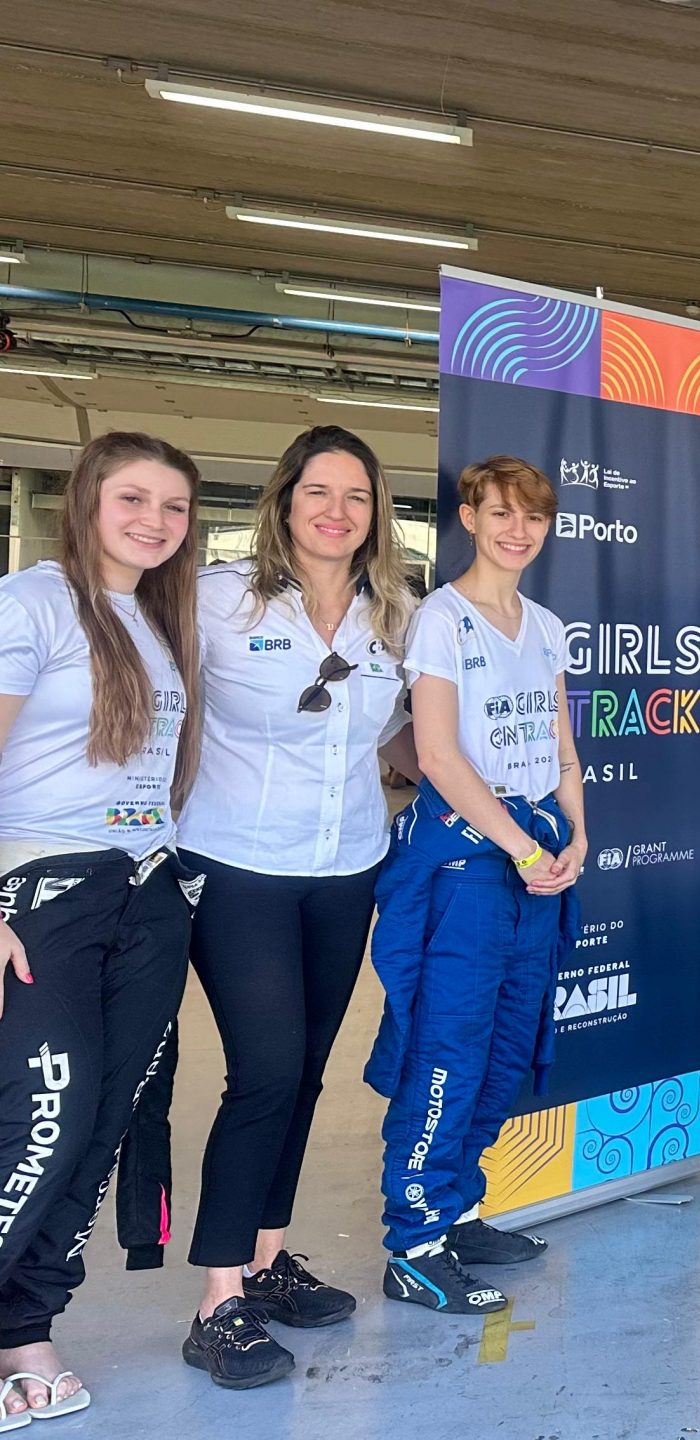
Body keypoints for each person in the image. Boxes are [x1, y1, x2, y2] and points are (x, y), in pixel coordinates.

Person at [178, 426, 419, 1388]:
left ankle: (268, 1258)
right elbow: (146, 702)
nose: (335, 510)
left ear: (376, 513)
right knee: (266, 1070)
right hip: (235, 865)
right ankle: (218, 1300)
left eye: (355, 495)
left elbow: (403, 741)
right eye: (317, 491)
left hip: (346, 865)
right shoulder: (215, 603)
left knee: (307, 1072)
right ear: (283, 502)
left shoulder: (391, 615)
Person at [0, 432, 203, 1422]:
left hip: (149, 896)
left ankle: (27, 1326)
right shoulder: (31, 602)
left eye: (173, 507)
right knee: (44, 1119)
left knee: (104, 1125)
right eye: (133, 499)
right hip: (46, 895)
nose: (153, 521)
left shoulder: (160, 617)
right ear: (87, 500)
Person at [366, 456, 585, 1317]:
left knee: (505, 1047)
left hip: (533, 855)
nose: (516, 530)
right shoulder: (440, 621)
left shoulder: (545, 625)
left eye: (531, 517)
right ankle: (414, 1242)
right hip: (467, 866)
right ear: (468, 515)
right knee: (447, 1051)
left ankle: (459, 1210)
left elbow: (560, 745)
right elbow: (438, 757)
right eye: (499, 513)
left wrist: (576, 832)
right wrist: (521, 850)